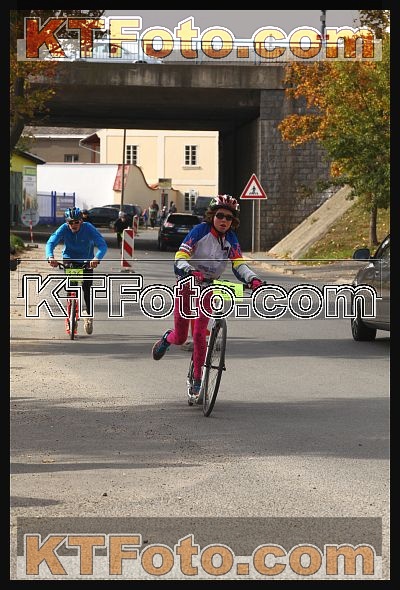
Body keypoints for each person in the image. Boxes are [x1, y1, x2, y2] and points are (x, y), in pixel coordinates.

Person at [151, 194, 264, 399]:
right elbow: (180, 256)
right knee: (181, 337)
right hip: (187, 284)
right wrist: (190, 270)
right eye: (220, 215)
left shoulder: (231, 238)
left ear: (233, 221)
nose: (224, 220)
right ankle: (167, 339)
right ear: (212, 216)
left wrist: (253, 279)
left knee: (199, 333)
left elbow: (238, 263)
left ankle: (197, 379)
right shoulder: (200, 231)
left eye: (229, 218)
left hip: (210, 286)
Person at [45, 207, 108, 335]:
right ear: (67, 222)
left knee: (86, 288)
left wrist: (96, 258)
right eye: (70, 222)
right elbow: (51, 243)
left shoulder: (88, 228)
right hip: (70, 259)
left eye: (76, 222)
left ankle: (88, 315)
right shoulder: (64, 228)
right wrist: (50, 257)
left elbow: (102, 245)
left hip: (87, 260)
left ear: (81, 221)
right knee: (72, 287)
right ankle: (70, 317)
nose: (73, 225)